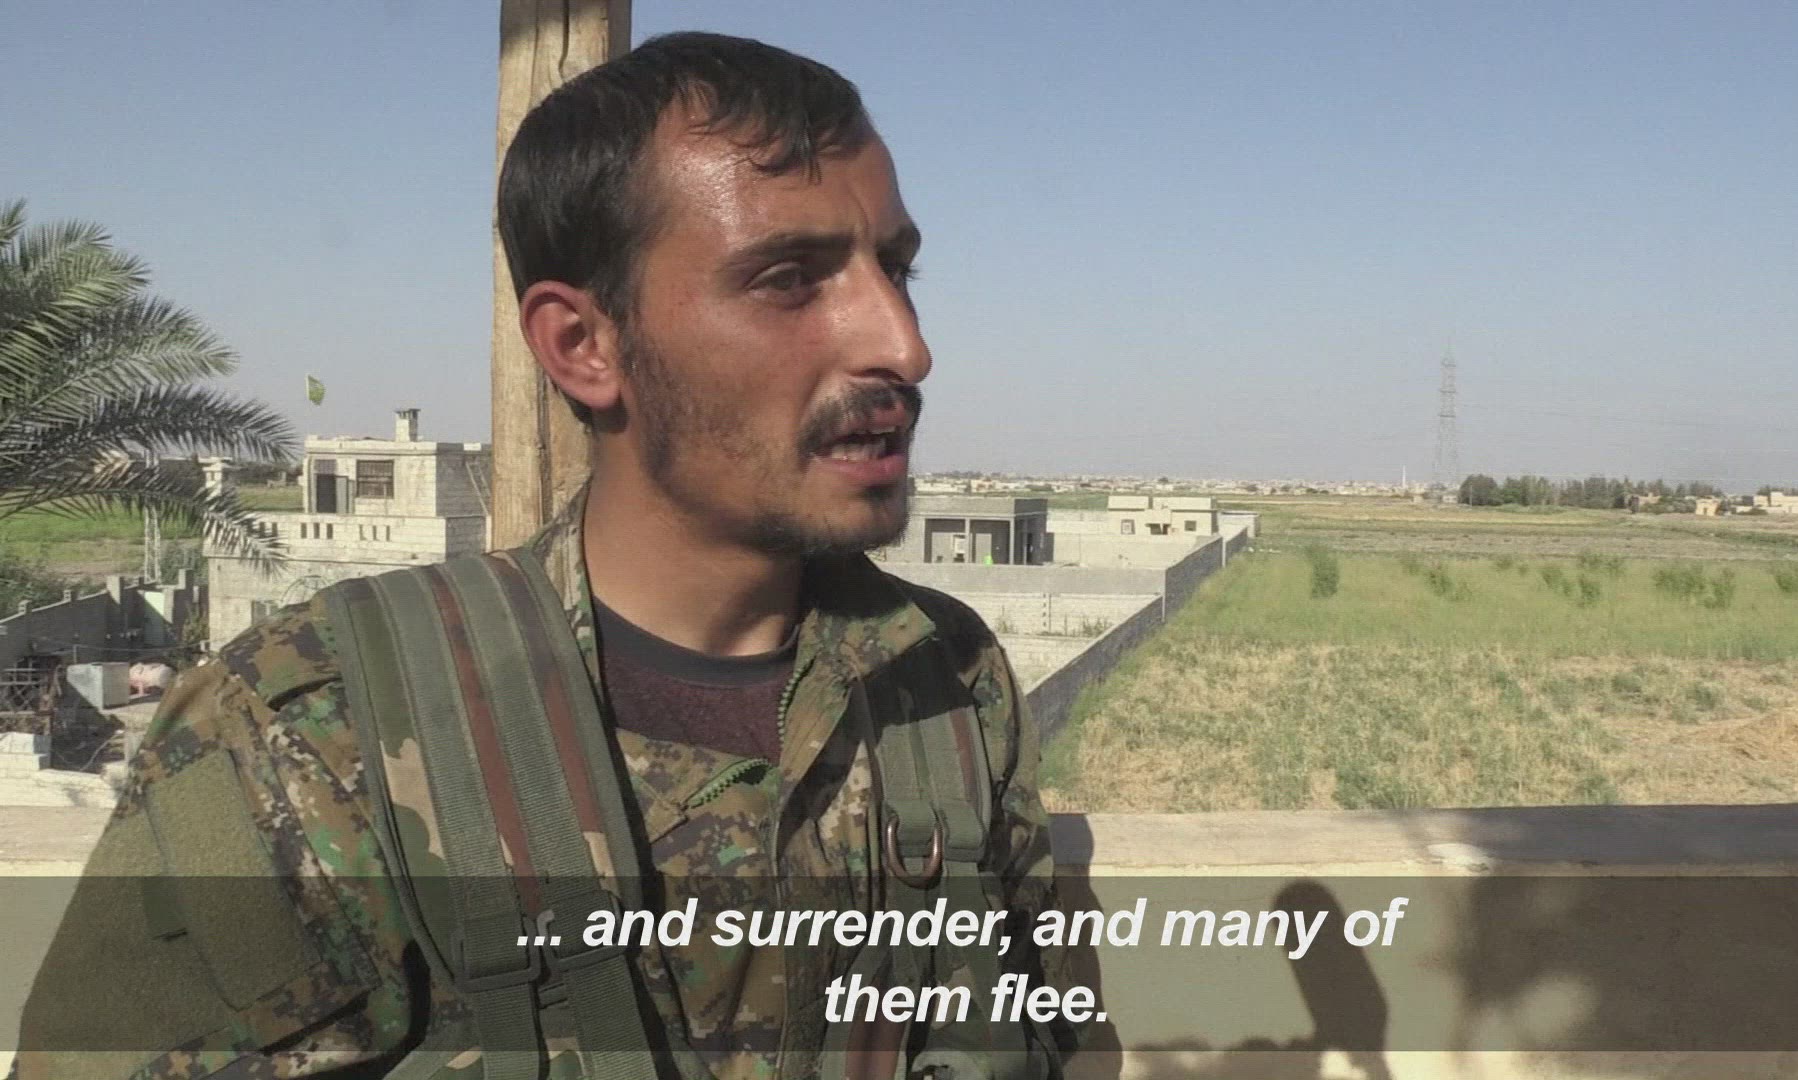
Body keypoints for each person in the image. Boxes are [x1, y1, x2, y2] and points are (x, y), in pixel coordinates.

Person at [14, 32, 1069, 1080]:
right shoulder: (312, 726)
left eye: (895, 268)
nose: (903, 345)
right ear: (582, 346)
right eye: (790, 279)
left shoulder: (944, 679)